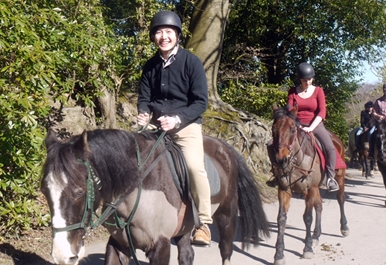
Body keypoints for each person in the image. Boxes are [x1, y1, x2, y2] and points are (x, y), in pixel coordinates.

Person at [136, 10, 212, 245]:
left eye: (168, 31)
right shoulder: (150, 66)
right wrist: (143, 113)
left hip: (185, 128)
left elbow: (201, 102)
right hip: (156, 128)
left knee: (194, 167)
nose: (163, 36)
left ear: (177, 35)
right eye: (159, 32)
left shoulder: (192, 62)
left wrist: (177, 119)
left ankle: (204, 223)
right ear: (153, 37)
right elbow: (144, 97)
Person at [287, 62, 339, 192]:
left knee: (330, 148)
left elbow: (322, 112)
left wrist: (310, 128)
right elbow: (290, 111)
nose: (308, 82)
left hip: (315, 124)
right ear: (300, 79)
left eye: (309, 79)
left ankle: (330, 177)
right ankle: (278, 173)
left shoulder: (318, 91)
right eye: (305, 80)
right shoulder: (293, 92)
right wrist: (298, 125)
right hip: (297, 125)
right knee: (274, 144)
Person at [369, 84, 386, 158]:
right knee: (371, 133)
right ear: (383, 90)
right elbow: (374, 112)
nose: (385, 90)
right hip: (381, 123)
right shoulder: (378, 101)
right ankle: (371, 152)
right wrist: (379, 116)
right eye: (384, 89)